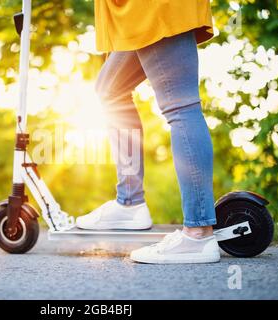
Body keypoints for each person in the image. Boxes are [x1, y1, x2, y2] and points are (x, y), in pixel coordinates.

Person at [76, 0, 220, 264]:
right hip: (136, 14)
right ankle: (129, 204)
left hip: (152, 8)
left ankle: (198, 233)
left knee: (181, 106)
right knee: (110, 90)